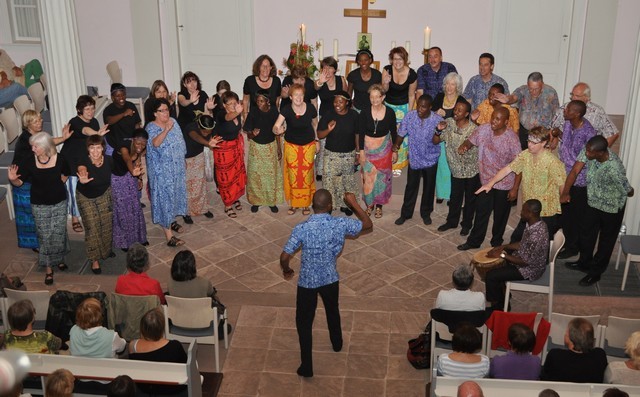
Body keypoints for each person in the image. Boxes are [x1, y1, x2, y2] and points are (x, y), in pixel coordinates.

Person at [280, 190, 373, 378]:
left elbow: (284, 256)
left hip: (307, 281)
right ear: (330, 206)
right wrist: (353, 203)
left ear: (313, 205)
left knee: (304, 322)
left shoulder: (302, 228)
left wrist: (287, 270)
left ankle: (307, 366)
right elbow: (368, 224)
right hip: (330, 278)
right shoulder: (339, 223)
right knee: (332, 310)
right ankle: (337, 343)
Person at [562, 135, 634, 286]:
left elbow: (628, 190)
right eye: (587, 150)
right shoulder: (589, 150)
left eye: (590, 152)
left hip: (612, 207)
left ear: (601, 153)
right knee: (586, 232)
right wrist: (566, 192)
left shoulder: (614, 167)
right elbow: (575, 170)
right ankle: (584, 262)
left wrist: (629, 191)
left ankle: (595, 272)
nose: (586, 154)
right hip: (593, 201)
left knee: (606, 241)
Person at [476, 126, 566, 241]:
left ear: (544, 143)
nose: (530, 145)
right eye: (529, 141)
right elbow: (508, 169)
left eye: (534, 143)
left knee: (539, 245)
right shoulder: (525, 155)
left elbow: (562, 183)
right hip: (529, 208)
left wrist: (563, 196)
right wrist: (490, 183)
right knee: (517, 239)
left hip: (545, 211)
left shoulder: (553, 162)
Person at [8, 132, 71, 285]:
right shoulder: (29, 161)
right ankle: (49, 268)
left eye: (36, 146)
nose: (33, 149)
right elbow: (20, 183)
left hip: (59, 202)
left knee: (58, 232)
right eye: (32, 146)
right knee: (44, 236)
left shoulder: (60, 159)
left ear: (45, 147)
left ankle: (60, 258)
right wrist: (13, 179)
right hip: (39, 204)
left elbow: (66, 174)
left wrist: (56, 186)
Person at [457, 107, 521, 250]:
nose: (493, 121)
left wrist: (515, 188)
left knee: (500, 216)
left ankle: (496, 243)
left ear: (506, 122)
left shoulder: (512, 139)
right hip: (485, 180)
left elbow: (519, 166)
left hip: (504, 184)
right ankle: (474, 241)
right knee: (481, 212)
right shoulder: (484, 129)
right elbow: (470, 141)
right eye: (493, 117)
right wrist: (464, 146)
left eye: (498, 119)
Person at [12, 110, 70, 251]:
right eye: (36, 121)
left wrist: (63, 138)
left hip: (33, 179)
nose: (40, 122)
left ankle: (45, 244)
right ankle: (37, 245)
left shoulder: (37, 136)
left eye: (40, 119)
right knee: (31, 217)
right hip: (24, 182)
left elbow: (47, 142)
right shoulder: (26, 140)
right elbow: (45, 145)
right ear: (27, 124)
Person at [484, 199, 549, 310]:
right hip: (524, 258)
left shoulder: (536, 236)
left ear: (530, 213)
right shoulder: (537, 223)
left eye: (523, 211)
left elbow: (525, 262)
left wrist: (502, 255)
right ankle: (504, 295)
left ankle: (498, 308)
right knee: (500, 264)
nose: (520, 212)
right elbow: (522, 244)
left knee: (491, 276)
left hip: (529, 269)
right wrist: (503, 247)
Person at [552, 100, 597, 259]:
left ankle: (573, 247)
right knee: (564, 214)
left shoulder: (588, 133)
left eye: (568, 109)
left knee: (576, 216)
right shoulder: (569, 123)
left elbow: (578, 167)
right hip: (564, 175)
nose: (565, 110)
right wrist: (560, 135)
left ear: (577, 113)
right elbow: (571, 146)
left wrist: (566, 190)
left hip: (578, 180)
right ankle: (565, 241)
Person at [393, 94, 442, 225]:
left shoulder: (437, 120)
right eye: (418, 105)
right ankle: (406, 214)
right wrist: (396, 146)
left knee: (429, 188)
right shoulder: (410, 116)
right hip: (414, 158)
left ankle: (426, 213)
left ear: (430, 107)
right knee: (411, 187)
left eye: (423, 107)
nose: (420, 109)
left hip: (431, 158)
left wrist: (438, 131)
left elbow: (437, 141)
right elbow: (401, 133)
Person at [64, 95, 110, 234]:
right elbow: (85, 130)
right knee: (73, 190)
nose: (90, 112)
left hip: (85, 160)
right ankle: (74, 219)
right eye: (87, 109)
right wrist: (97, 133)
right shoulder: (74, 121)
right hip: (71, 161)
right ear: (79, 110)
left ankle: (84, 213)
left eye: (92, 108)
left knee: (85, 188)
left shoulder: (94, 121)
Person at [145, 98, 188, 247]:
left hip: (176, 170)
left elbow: (181, 141)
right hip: (161, 173)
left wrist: (183, 158)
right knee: (164, 200)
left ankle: (170, 221)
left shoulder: (174, 122)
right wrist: (166, 130)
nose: (165, 113)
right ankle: (169, 236)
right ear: (155, 113)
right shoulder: (151, 127)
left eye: (167, 109)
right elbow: (155, 143)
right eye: (161, 110)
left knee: (174, 197)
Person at [433, 100, 479, 235]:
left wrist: (466, 146)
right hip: (455, 169)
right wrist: (437, 131)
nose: (456, 112)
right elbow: (435, 141)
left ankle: (466, 225)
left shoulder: (473, 129)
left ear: (466, 114)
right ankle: (451, 222)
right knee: (455, 197)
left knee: (470, 199)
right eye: (455, 109)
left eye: (460, 110)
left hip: (471, 170)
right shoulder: (449, 123)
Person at [273, 83, 317, 216]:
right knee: (293, 175)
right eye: (295, 94)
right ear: (290, 97)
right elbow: (275, 126)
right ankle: (294, 203)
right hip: (291, 145)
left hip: (308, 145)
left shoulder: (310, 108)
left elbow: (315, 124)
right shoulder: (286, 109)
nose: (298, 97)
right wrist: (277, 130)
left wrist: (317, 140)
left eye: (301, 94)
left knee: (306, 175)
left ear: (304, 96)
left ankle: (305, 203)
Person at [76, 135, 115, 274]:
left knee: (106, 225)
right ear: (88, 149)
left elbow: (120, 171)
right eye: (92, 148)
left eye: (98, 147)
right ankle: (94, 260)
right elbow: (81, 168)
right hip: (85, 197)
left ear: (103, 148)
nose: (95, 151)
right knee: (92, 228)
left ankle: (105, 251)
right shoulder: (83, 160)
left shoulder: (109, 160)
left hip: (104, 194)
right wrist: (83, 176)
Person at [317, 90, 359, 215]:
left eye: (340, 102)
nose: (337, 104)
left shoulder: (354, 115)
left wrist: (357, 152)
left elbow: (357, 134)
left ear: (347, 102)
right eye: (335, 102)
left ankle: (346, 205)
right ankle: (329, 206)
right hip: (331, 155)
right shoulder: (328, 114)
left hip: (348, 154)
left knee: (346, 181)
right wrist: (328, 129)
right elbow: (319, 135)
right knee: (329, 182)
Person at [358, 84, 397, 218]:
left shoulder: (390, 112)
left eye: (377, 97)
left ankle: (379, 206)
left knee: (382, 178)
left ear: (383, 97)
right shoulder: (364, 111)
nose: (374, 100)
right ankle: (369, 205)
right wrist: (361, 152)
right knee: (368, 178)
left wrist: (395, 151)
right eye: (371, 97)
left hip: (385, 149)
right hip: (368, 149)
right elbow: (361, 133)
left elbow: (394, 132)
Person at [129, 308, 187, 396]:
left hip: (145, 389)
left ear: (142, 328)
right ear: (162, 328)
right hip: (173, 390)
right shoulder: (175, 346)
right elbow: (185, 368)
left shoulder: (133, 346)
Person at [495, 71, 559, 150]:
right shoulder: (523, 90)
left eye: (536, 89)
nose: (533, 92)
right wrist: (507, 99)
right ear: (528, 84)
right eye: (531, 89)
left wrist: (555, 135)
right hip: (525, 131)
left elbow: (556, 115)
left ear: (542, 84)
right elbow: (514, 97)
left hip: (543, 132)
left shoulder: (551, 93)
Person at [243, 89, 283, 213]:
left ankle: (271, 201)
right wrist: (253, 134)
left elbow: (276, 132)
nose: (259, 104)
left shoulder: (274, 112)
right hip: (256, 148)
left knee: (270, 176)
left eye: (261, 101)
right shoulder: (253, 112)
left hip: (270, 147)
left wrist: (279, 148)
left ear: (268, 102)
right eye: (257, 101)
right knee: (255, 175)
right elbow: (248, 135)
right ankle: (256, 201)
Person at [381, 47, 417, 175]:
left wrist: (410, 113)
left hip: (404, 107)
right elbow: (383, 91)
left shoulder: (412, 74)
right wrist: (385, 83)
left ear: (405, 59)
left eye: (400, 59)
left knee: (401, 136)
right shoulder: (387, 70)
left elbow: (412, 95)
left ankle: (398, 167)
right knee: (388, 135)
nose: (397, 62)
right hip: (388, 107)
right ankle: (387, 163)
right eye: (394, 59)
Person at [110, 128, 147, 251]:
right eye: (138, 143)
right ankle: (124, 241)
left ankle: (139, 238)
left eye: (143, 144)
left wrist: (139, 179)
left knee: (134, 206)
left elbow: (137, 160)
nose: (140, 146)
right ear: (133, 140)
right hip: (117, 178)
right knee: (122, 209)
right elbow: (127, 159)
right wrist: (133, 172)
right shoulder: (124, 147)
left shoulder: (141, 148)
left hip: (130, 176)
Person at [552, 82, 620, 147]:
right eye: (572, 95)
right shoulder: (564, 108)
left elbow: (613, 134)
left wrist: (600, 151)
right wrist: (555, 138)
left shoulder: (597, 112)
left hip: (587, 155)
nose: (573, 98)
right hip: (564, 154)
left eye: (577, 96)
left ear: (586, 97)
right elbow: (553, 128)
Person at [213, 91, 247, 218]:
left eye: (235, 102)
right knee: (226, 178)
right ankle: (228, 205)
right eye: (230, 103)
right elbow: (228, 117)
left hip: (235, 148)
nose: (233, 105)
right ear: (224, 105)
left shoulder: (237, 113)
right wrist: (238, 112)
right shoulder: (221, 114)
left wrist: (239, 113)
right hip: (224, 150)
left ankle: (235, 197)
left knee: (236, 175)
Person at [431, 72, 464, 203]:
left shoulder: (461, 100)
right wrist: (435, 113)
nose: (450, 87)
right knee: (441, 166)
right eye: (448, 84)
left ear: (457, 86)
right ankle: (440, 193)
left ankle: (451, 195)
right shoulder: (439, 97)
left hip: (454, 139)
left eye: (453, 84)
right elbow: (430, 115)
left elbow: (463, 120)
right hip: (439, 138)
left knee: (452, 166)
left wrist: (450, 117)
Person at [181, 114, 220, 224]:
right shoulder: (191, 128)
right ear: (199, 126)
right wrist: (208, 143)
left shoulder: (210, 127)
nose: (207, 134)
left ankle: (202, 208)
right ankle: (187, 212)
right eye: (205, 132)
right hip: (187, 159)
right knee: (188, 186)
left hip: (199, 156)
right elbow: (195, 137)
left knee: (200, 185)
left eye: (209, 132)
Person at [542, 317, 608, 382]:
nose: (565, 334)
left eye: (566, 332)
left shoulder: (555, 355)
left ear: (570, 338)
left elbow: (543, 380)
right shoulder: (599, 356)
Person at [315, 57, 347, 180]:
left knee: (337, 143)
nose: (327, 70)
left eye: (330, 67)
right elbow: (315, 87)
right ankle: (320, 171)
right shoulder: (319, 81)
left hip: (339, 116)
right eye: (325, 67)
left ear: (335, 69)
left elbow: (346, 97)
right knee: (323, 144)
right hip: (324, 116)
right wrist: (320, 81)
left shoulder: (341, 79)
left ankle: (336, 169)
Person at [103, 83, 141, 156]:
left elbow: (137, 124)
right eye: (118, 96)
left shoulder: (131, 106)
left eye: (123, 95)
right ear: (112, 97)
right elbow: (109, 121)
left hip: (130, 144)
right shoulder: (108, 109)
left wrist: (137, 139)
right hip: (113, 145)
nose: (121, 98)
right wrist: (124, 114)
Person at [243, 54, 281, 120]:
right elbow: (245, 101)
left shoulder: (276, 81)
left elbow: (277, 102)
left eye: (267, 66)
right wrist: (245, 116)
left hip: (272, 119)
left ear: (271, 67)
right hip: (254, 119)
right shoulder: (250, 81)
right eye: (262, 65)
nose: (265, 68)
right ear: (258, 67)